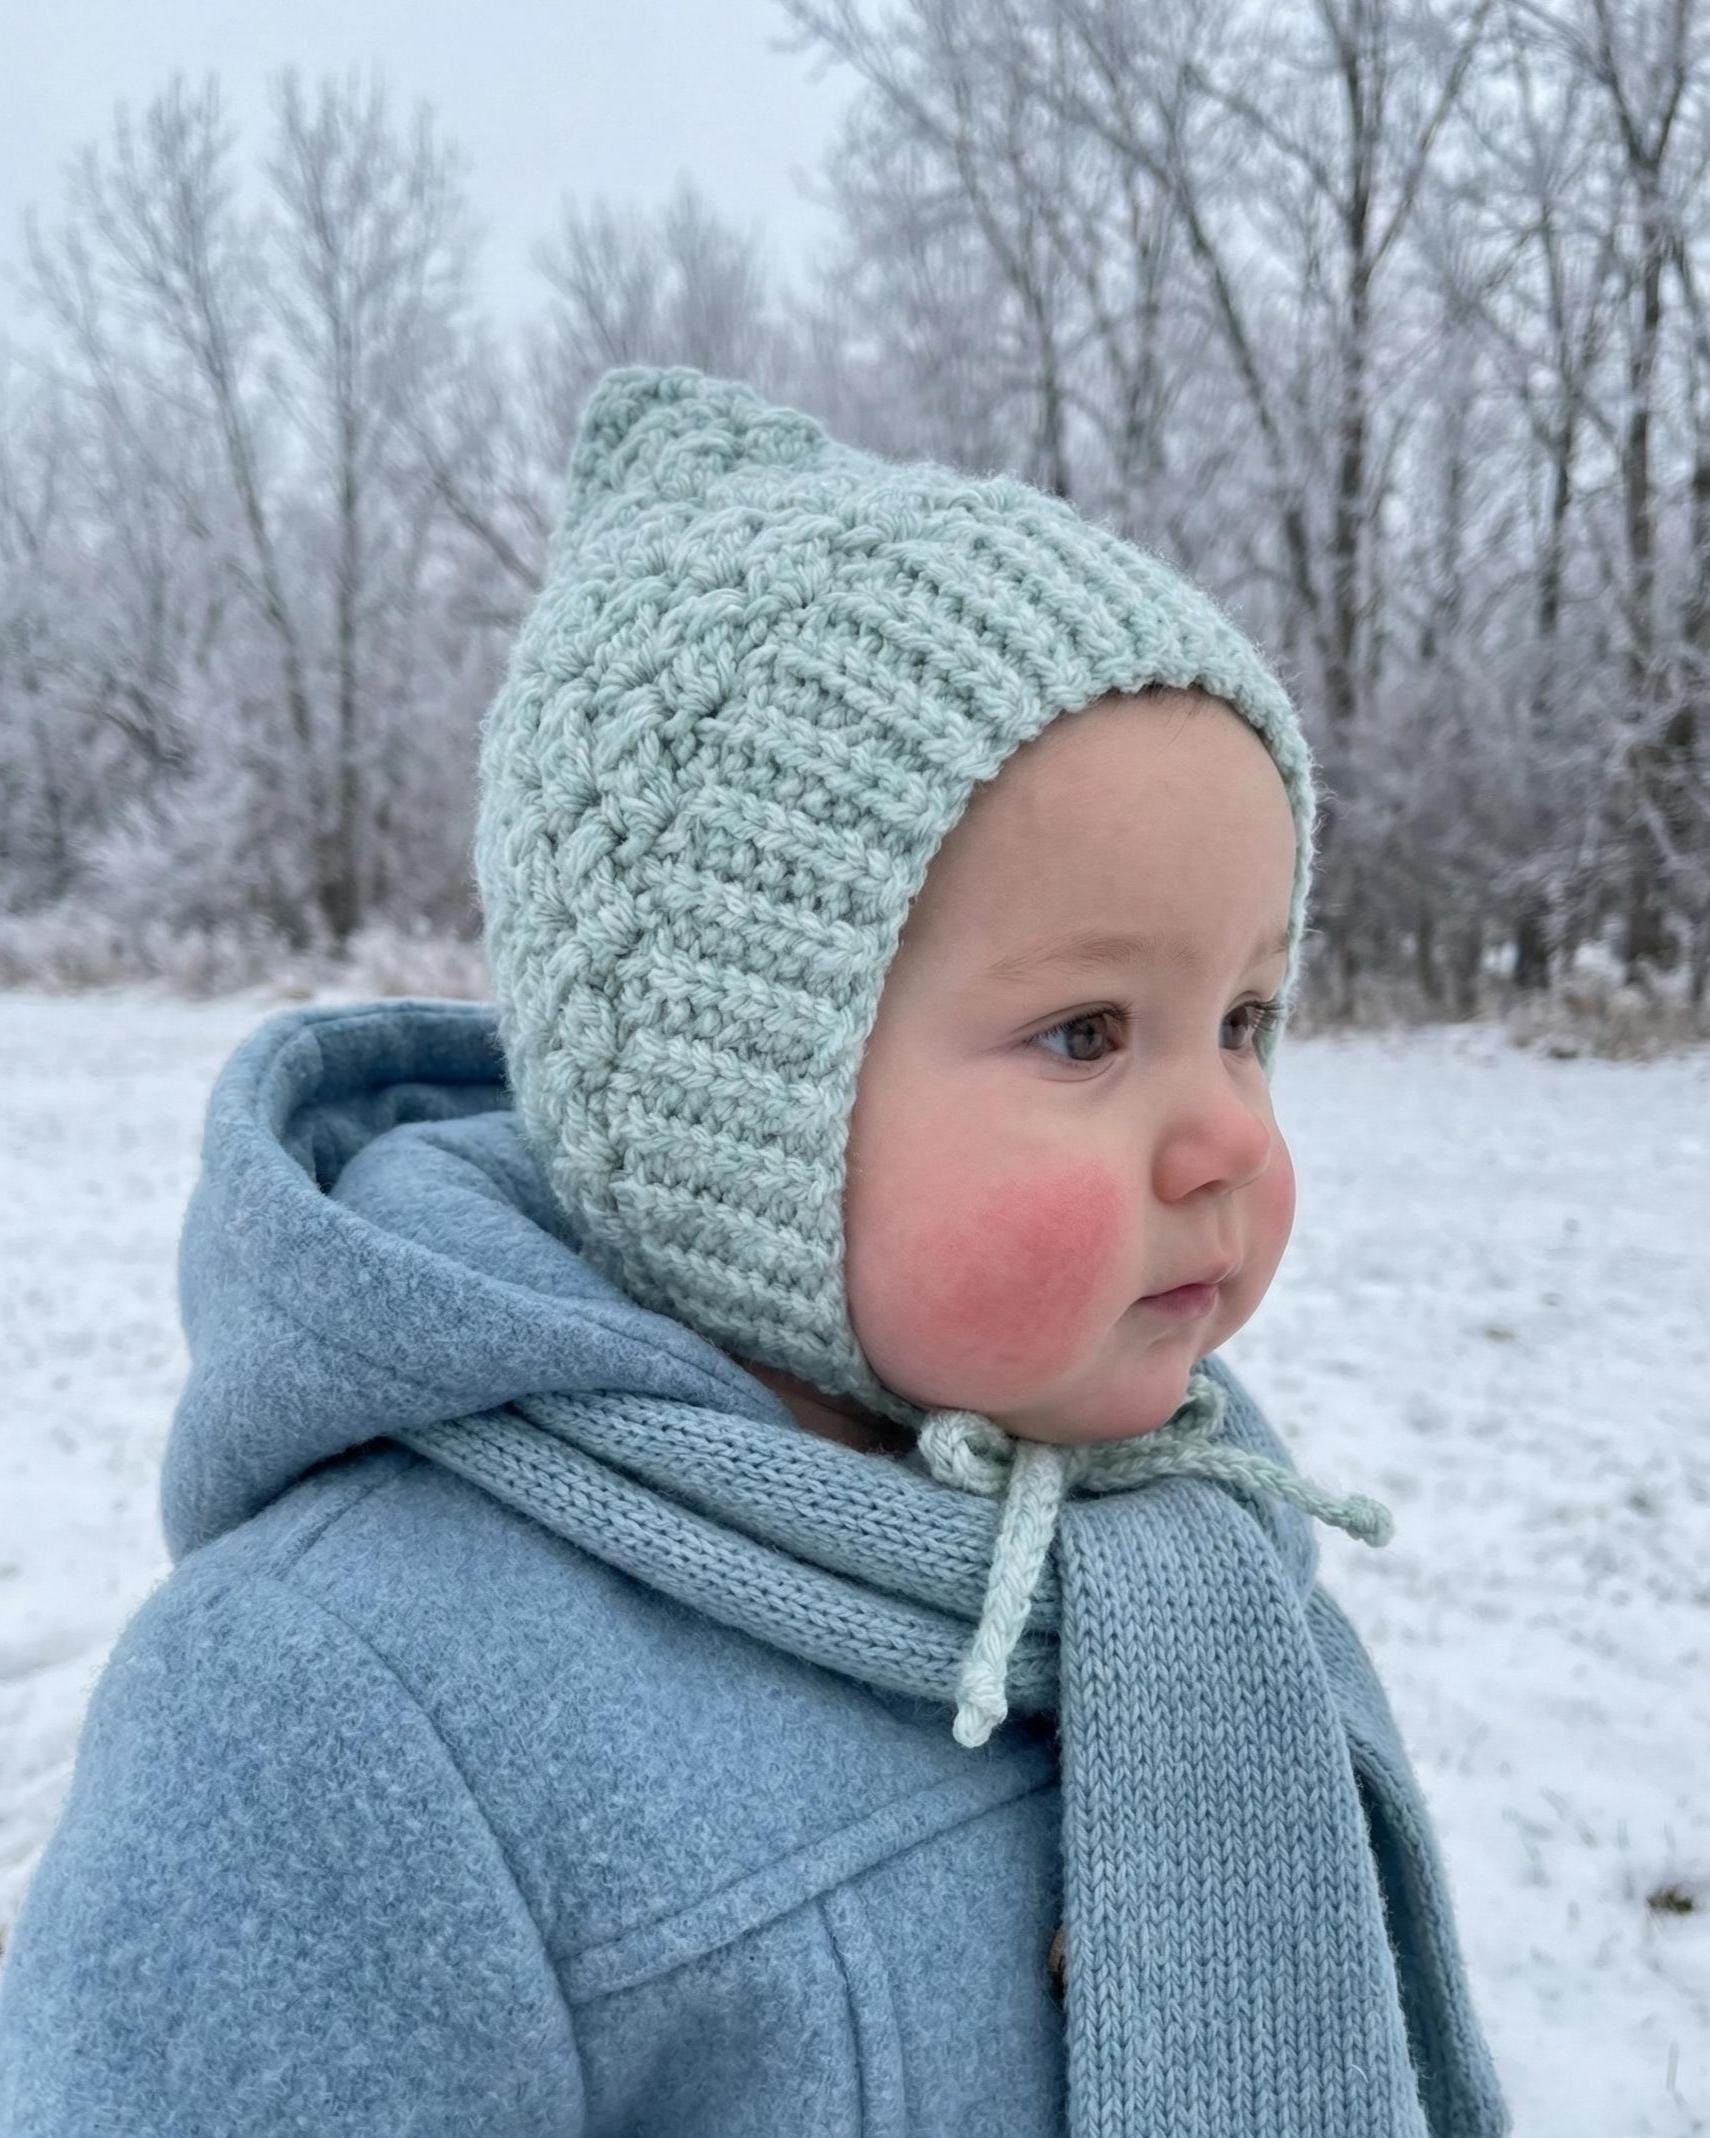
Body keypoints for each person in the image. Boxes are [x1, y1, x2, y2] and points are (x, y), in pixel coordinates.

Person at [0, 365, 1510, 2136]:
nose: (1234, 1137)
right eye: (1090, 1032)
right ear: (744, 1102)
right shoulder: (338, 1709)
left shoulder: (1186, 1551)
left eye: (1244, 1017)